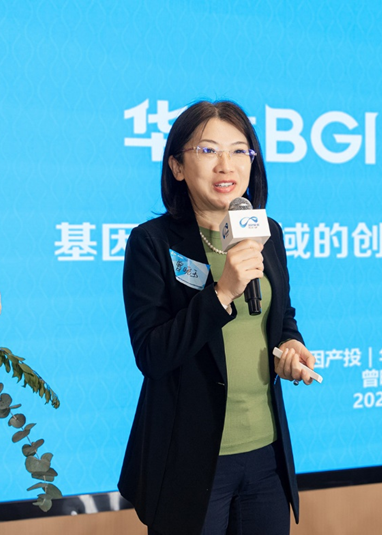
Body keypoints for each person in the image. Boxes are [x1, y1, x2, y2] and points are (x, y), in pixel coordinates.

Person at [119, 100, 317, 535]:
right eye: (208, 150)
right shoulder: (151, 243)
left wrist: (291, 346)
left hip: (265, 455)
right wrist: (222, 292)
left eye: (239, 150)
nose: (226, 165)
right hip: (189, 460)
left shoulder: (267, 231)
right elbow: (152, 354)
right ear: (177, 166)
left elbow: (281, 315)